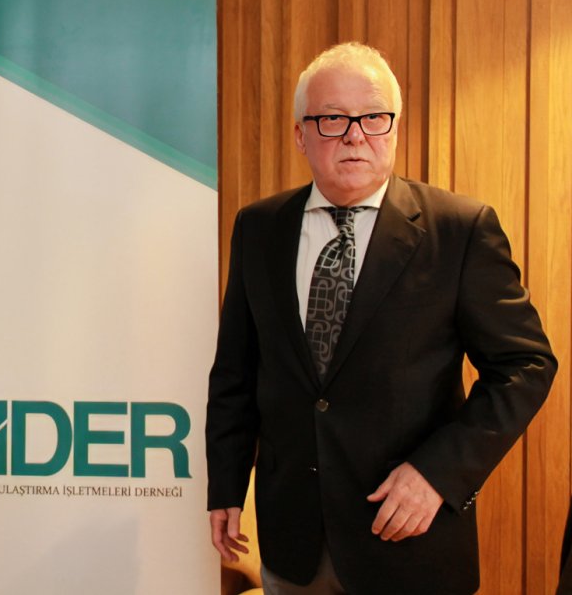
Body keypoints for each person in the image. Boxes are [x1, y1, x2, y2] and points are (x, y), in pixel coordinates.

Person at [205, 42, 556, 594]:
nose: (355, 135)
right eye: (331, 119)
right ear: (300, 134)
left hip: (409, 541)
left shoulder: (459, 230)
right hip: (293, 540)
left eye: (373, 117)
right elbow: (236, 372)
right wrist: (226, 485)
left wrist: (439, 474)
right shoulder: (259, 228)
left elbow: (525, 366)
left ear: (395, 128)